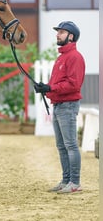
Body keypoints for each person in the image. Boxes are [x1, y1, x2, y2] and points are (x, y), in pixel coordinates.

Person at [34, 21, 85, 194]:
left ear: (71, 36)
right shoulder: (61, 57)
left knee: (70, 145)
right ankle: (66, 180)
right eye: (58, 32)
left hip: (68, 106)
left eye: (61, 32)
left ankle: (75, 182)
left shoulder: (75, 57)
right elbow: (58, 83)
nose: (58, 34)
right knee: (62, 146)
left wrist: (51, 88)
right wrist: (45, 88)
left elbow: (73, 85)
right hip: (58, 105)